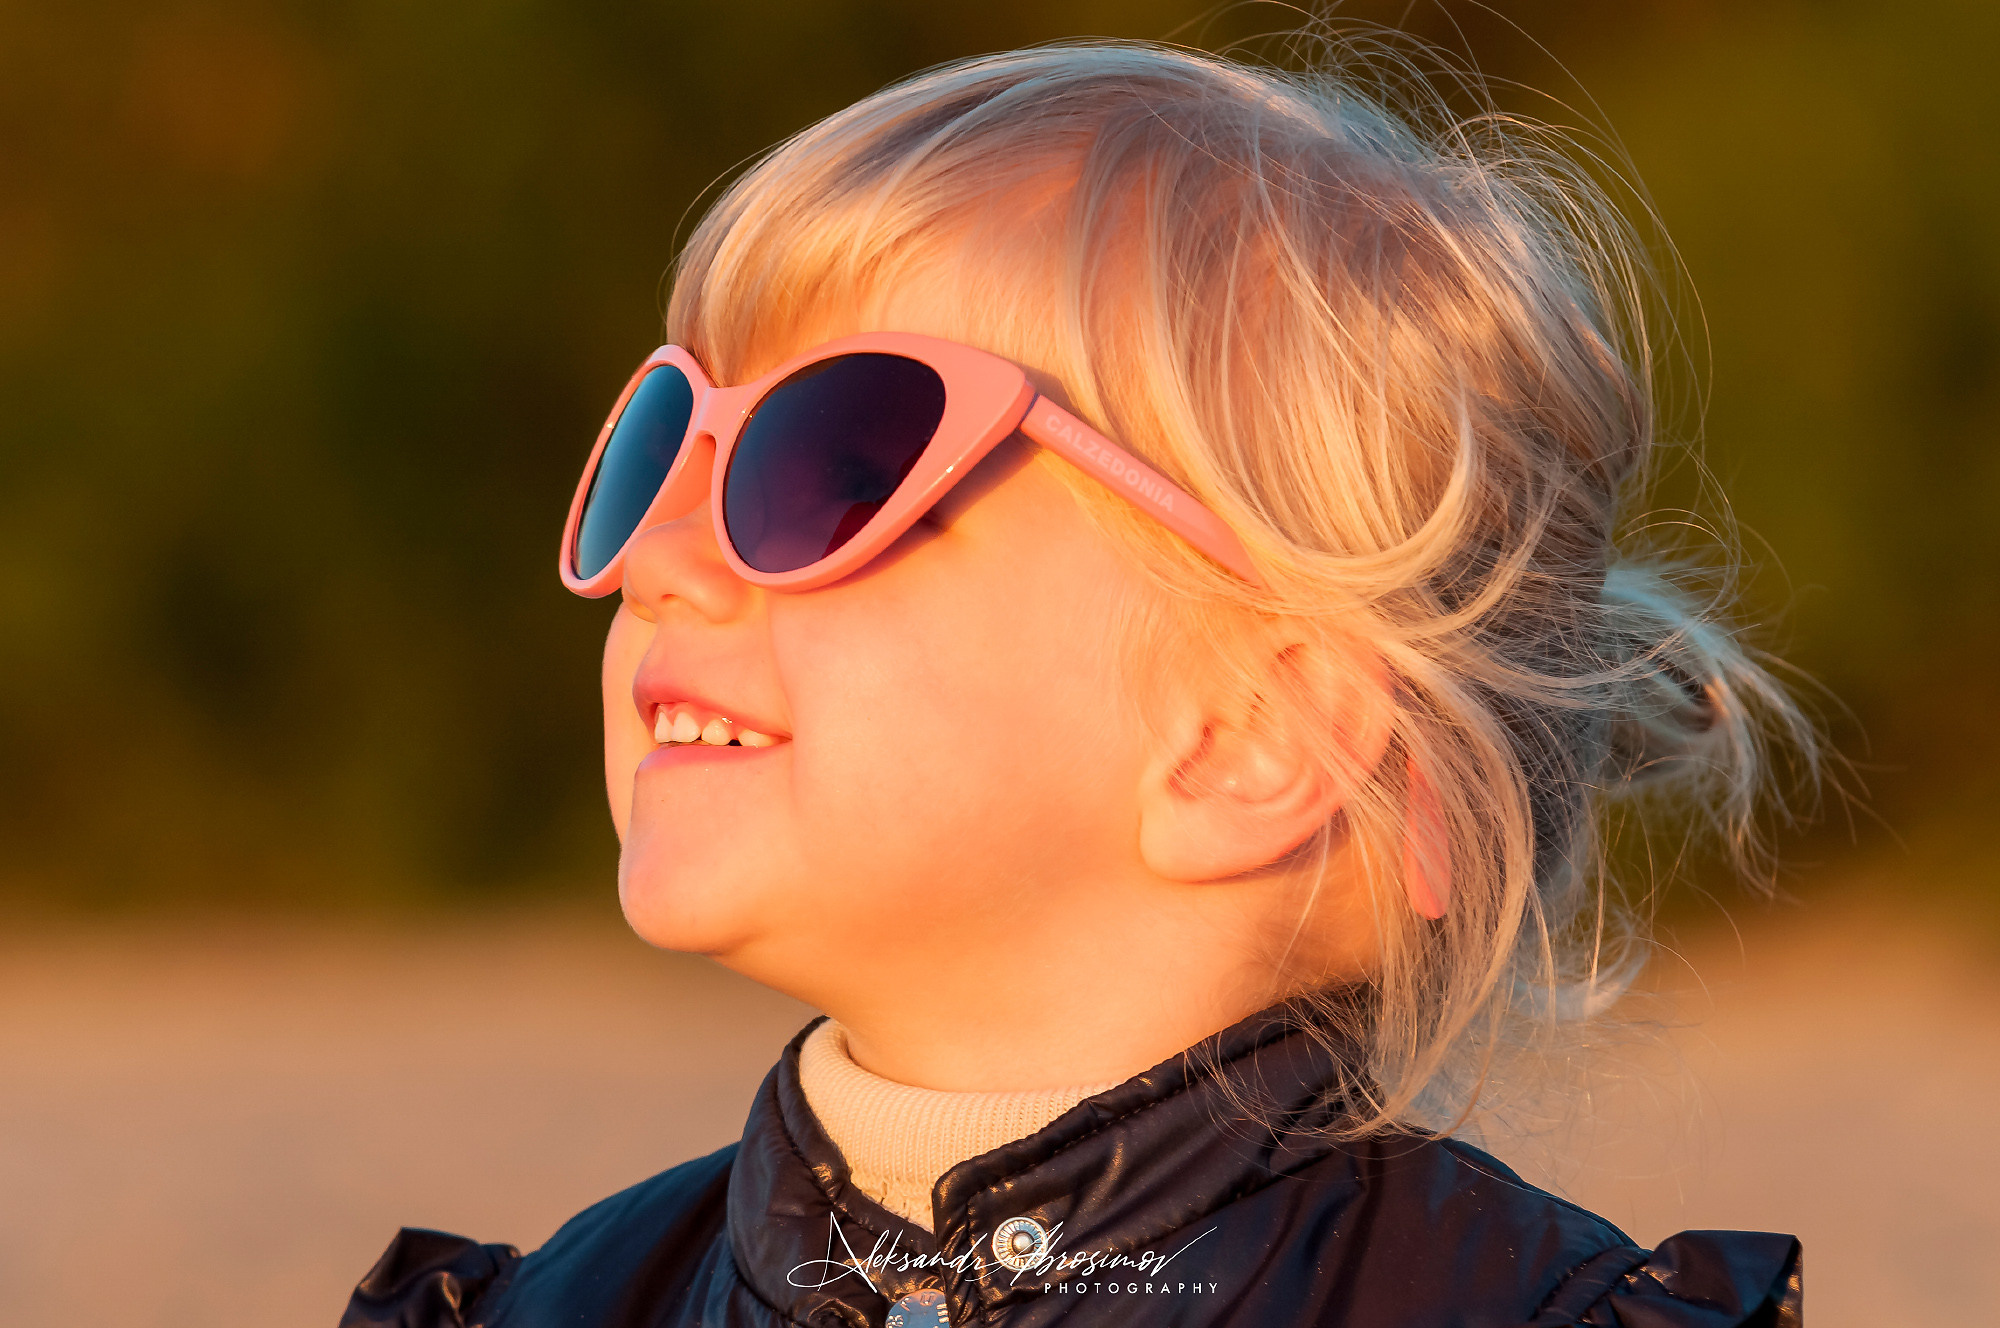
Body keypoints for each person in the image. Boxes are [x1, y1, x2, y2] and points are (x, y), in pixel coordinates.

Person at [342, 35, 1811, 1328]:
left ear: (1252, 734)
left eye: (833, 462)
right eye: (665, 441)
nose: (661, 552)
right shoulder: (568, 1302)